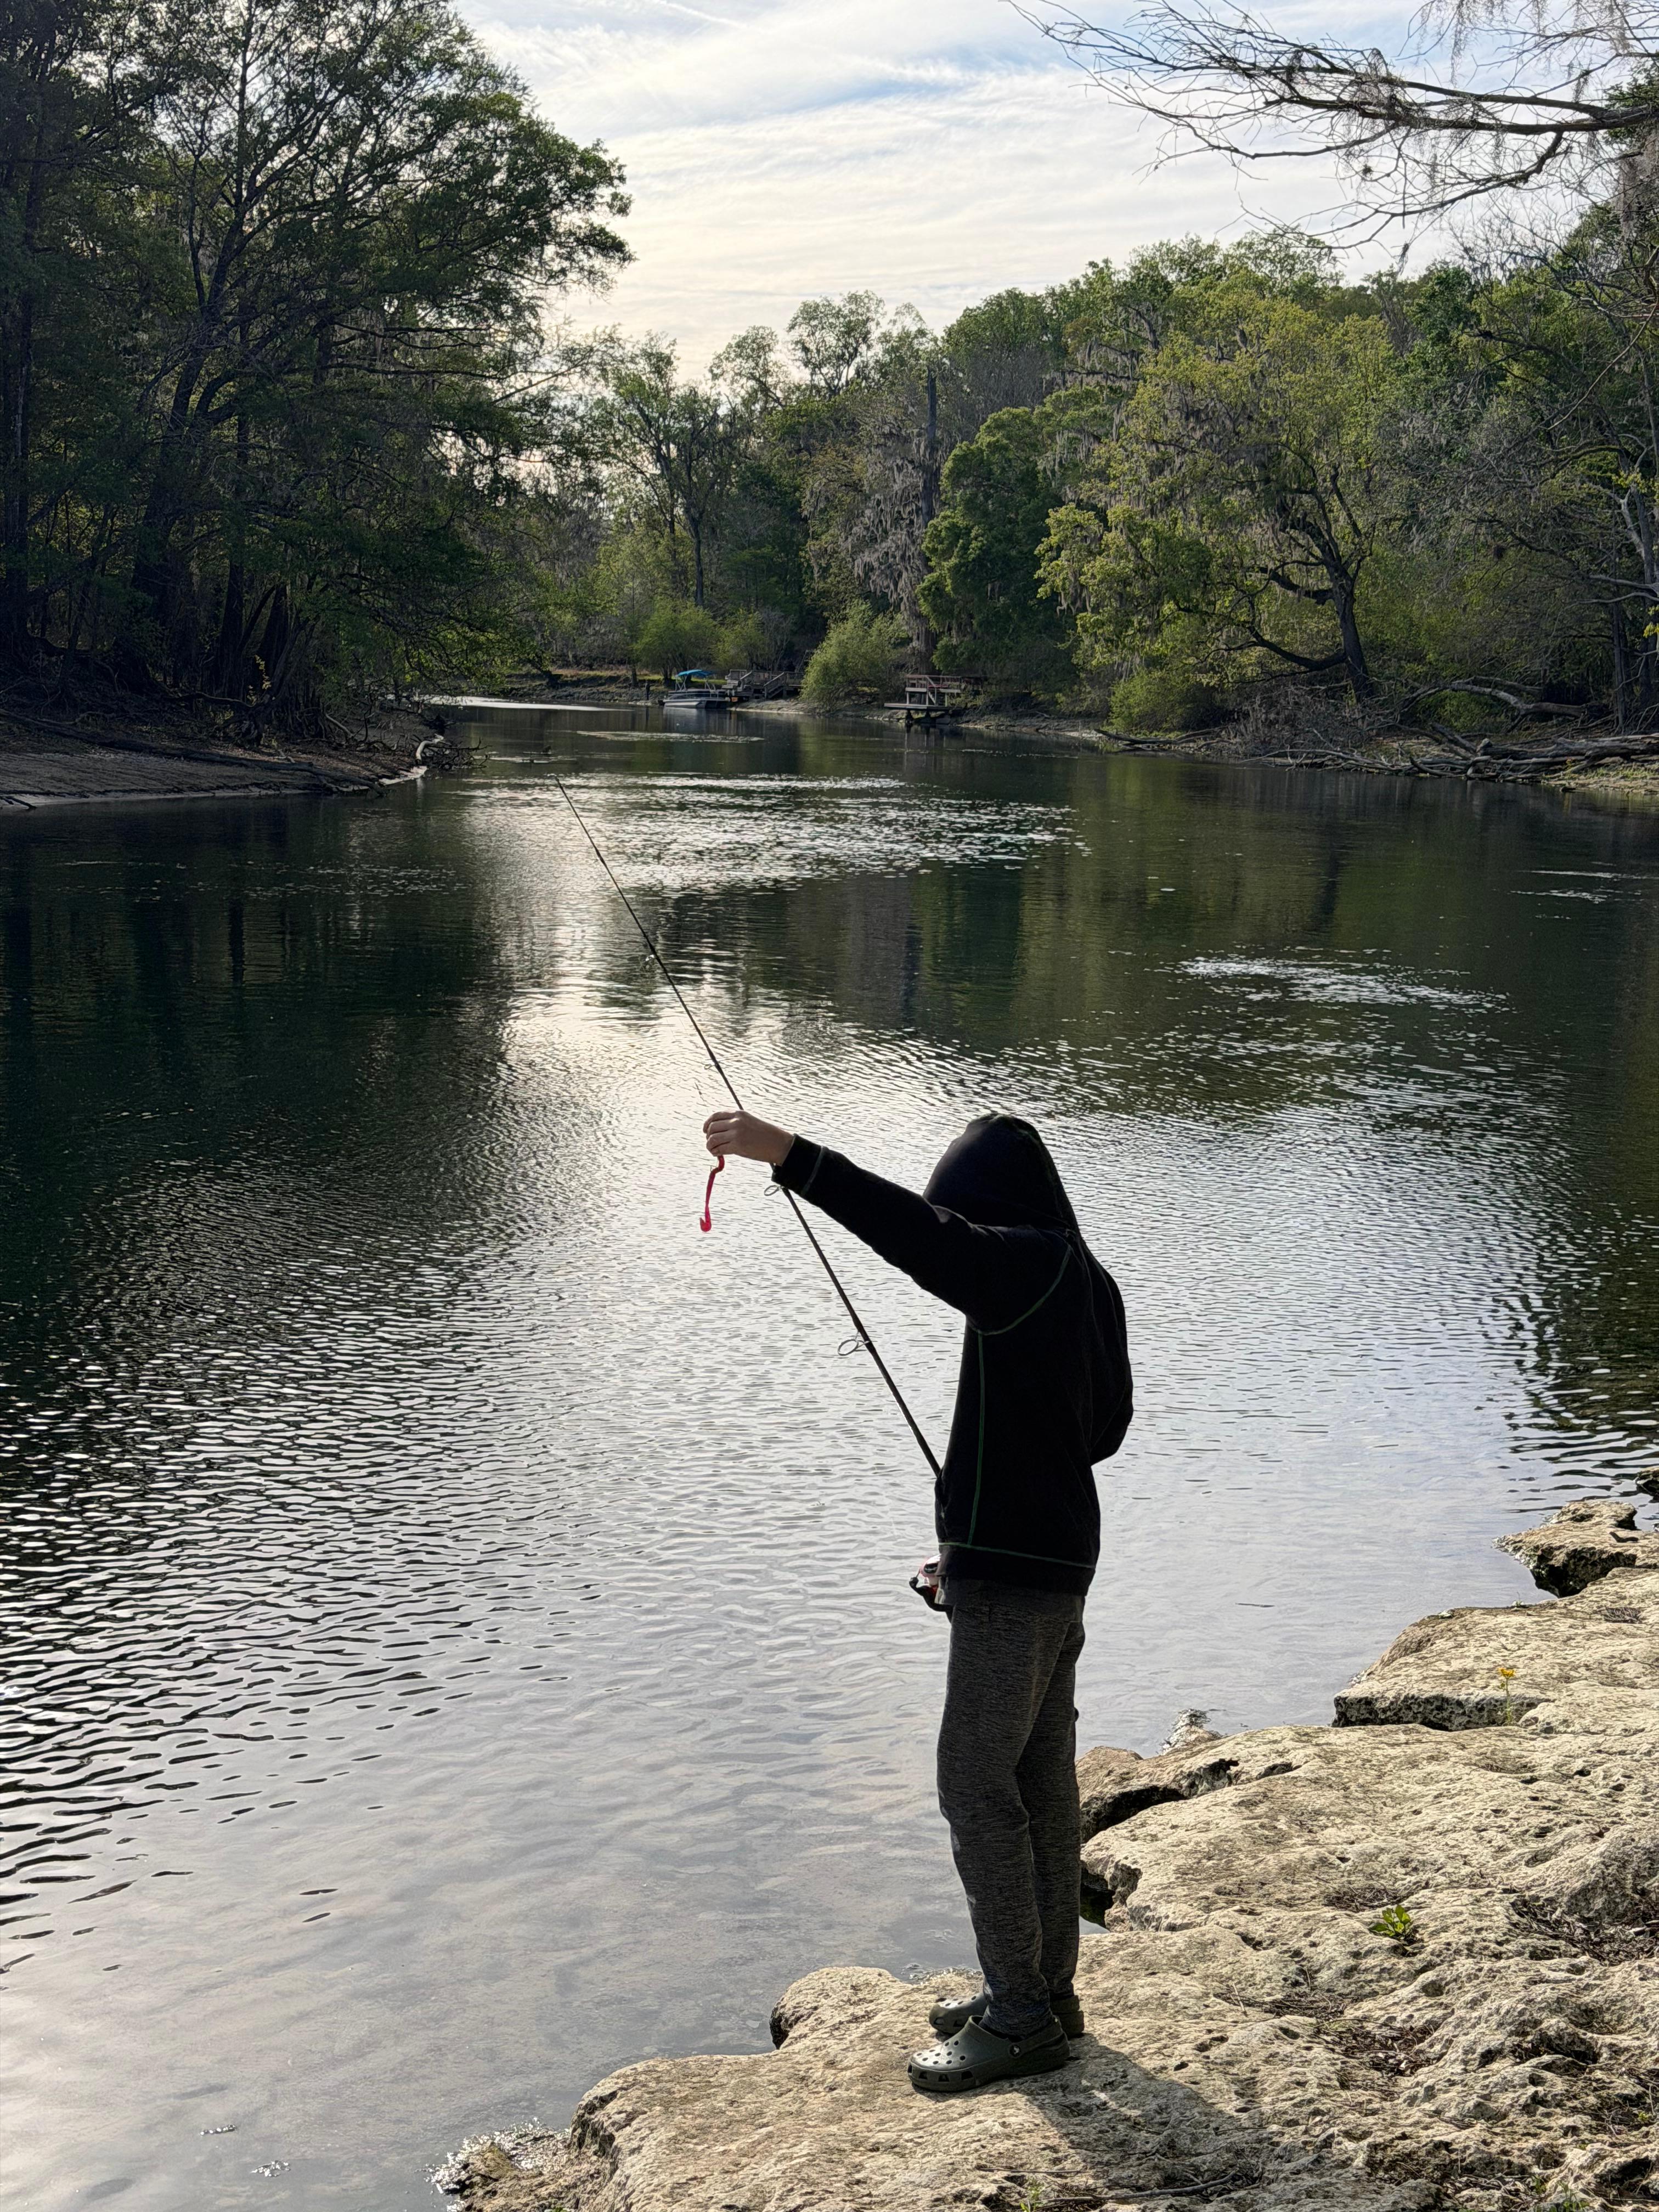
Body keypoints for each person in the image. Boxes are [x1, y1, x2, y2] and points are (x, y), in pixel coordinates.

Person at [701, 1105, 1132, 2094]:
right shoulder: (1089, 1281)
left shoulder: (1021, 1264)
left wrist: (790, 1154)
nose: (964, 1241)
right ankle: (1047, 1992)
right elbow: (1103, 1433)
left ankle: (1019, 2017)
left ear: (990, 1207)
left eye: (968, 1218)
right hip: (1055, 1563)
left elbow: (918, 1236)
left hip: (1016, 1578)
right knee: (1039, 1781)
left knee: (974, 1785)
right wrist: (969, 1547)